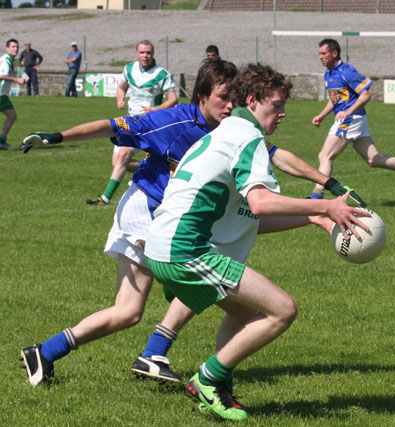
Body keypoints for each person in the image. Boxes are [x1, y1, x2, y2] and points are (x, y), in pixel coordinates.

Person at [19, 60, 364, 389]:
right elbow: (114, 125)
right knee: (166, 292)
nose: (230, 105)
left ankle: (55, 352)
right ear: (201, 95)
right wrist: (57, 136)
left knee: (148, 303)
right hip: (148, 212)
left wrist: (327, 186)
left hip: (181, 220)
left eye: (233, 97)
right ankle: (185, 366)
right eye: (222, 97)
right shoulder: (174, 121)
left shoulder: (231, 130)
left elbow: (276, 154)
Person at [144, 63, 370, 420]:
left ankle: (220, 385)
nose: (282, 114)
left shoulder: (223, 132)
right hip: (184, 251)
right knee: (283, 310)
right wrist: (326, 204)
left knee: (244, 314)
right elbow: (261, 203)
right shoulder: (247, 140)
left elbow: (248, 220)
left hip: (162, 247)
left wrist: (314, 216)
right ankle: (207, 379)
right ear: (252, 99)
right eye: (276, 105)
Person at [310, 38, 395, 200]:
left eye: (324, 53)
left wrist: (348, 111)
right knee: (373, 159)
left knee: (325, 156)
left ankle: (316, 197)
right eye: (319, 54)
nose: (320, 57)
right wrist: (321, 115)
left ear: (334, 53)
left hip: (350, 119)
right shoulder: (328, 74)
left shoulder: (347, 71)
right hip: (352, 119)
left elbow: (366, 95)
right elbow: (334, 99)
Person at [86, 40, 178, 206]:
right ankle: (148, 167)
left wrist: (155, 110)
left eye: (148, 52)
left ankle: (105, 197)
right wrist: (120, 98)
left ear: (153, 53)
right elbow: (122, 87)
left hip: (147, 124)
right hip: (129, 120)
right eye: (142, 52)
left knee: (122, 157)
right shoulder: (129, 69)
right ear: (137, 53)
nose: (146, 56)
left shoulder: (161, 74)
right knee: (119, 163)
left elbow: (173, 99)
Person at [0, 39, 25, 151]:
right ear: (7, 48)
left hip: (3, 95)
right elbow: (1, 75)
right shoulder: (6, 60)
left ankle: (2, 141)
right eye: (13, 46)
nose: (16, 49)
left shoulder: (10, 60)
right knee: (12, 116)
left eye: (17, 47)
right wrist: (17, 80)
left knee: (12, 116)